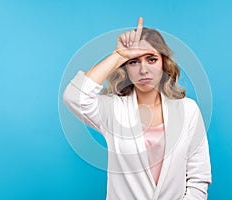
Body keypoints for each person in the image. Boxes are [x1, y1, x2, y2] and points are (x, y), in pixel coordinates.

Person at [63, 17, 212, 200]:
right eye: (133, 61)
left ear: (164, 64)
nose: (143, 70)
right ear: (125, 68)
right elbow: (74, 97)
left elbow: (199, 176)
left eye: (151, 59)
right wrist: (119, 55)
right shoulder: (113, 109)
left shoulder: (188, 110)